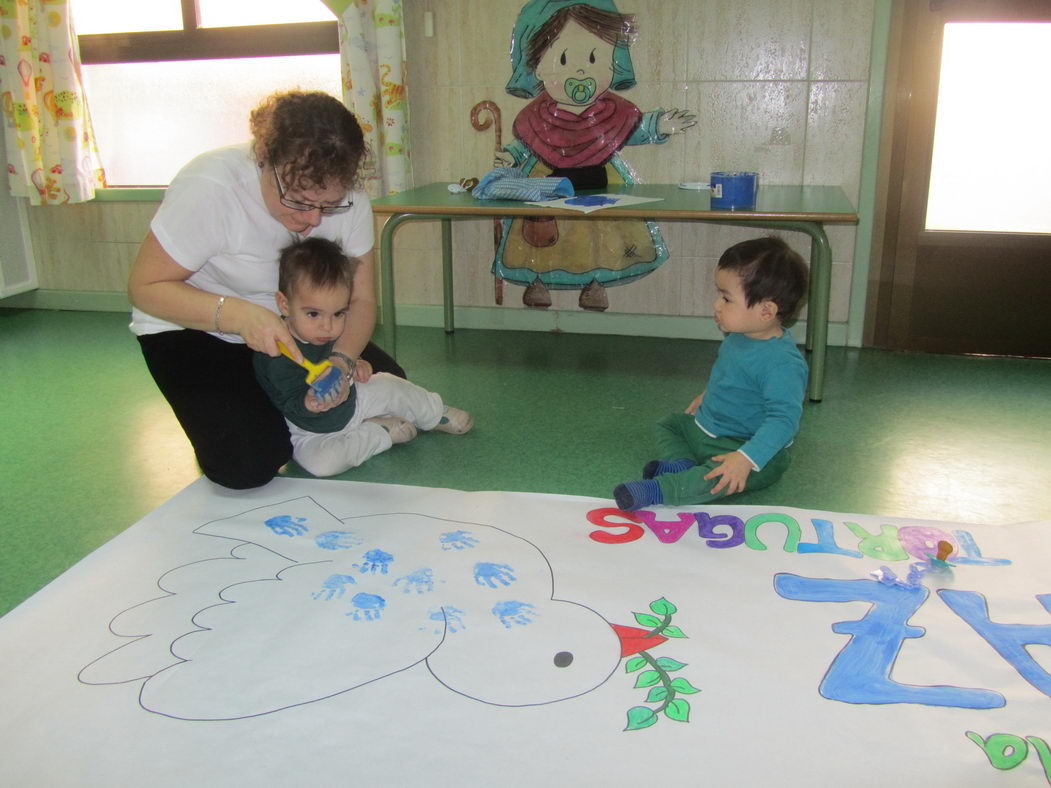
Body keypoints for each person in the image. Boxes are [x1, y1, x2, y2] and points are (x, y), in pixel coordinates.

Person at [127, 90, 404, 489]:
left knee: (390, 383)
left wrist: (341, 362)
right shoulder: (210, 187)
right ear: (263, 154)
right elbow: (145, 287)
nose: (311, 220)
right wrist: (237, 314)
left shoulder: (349, 196)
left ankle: (288, 416)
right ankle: (271, 423)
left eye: (327, 205)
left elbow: (360, 299)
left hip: (298, 324)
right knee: (247, 464)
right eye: (299, 200)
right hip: (194, 326)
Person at [613, 236, 809, 510]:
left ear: (766, 311)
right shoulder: (740, 335)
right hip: (707, 428)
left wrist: (745, 458)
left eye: (727, 299)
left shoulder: (783, 364)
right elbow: (733, 377)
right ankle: (683, 463)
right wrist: (708, 394)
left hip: (743, 446)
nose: (717, 305)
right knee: (669, 424)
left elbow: (784, 420)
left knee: (723, 478)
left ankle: (661, 490)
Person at [254, 237, 473, 478]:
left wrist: (355, 365)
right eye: (313, 314)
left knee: (390, 386)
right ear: (284, 305)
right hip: (311, 430)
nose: (327, 327)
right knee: (321, 466)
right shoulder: (275, 353)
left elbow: (346, 358)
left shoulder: (329, 335)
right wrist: (308, 404)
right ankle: (379, 433)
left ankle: (433, 413)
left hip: (356, 401)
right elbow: (286, 402)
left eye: (338, 313)